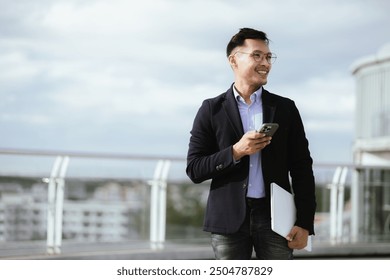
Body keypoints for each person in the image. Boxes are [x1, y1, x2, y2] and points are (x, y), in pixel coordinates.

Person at [186, 27, 316, 260]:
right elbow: (195, 169)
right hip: (228, 220)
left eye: (268, 57)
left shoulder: (285, 109)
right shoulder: (211, 109)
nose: (265, 62)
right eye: (256, 55)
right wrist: (236, 151)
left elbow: (302, 169)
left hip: (277, 220)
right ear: (233, 60)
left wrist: (305, 223)